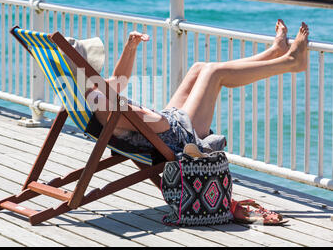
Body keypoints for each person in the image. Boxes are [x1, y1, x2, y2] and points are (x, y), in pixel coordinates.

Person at [86, 19, 309, 155]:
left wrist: (130, 47)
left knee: (199, 68)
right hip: (177, 138)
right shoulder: (101, 103)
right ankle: (291, 62)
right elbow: (155, 123)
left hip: (165, 127)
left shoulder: (89, 90)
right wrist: (149, 111)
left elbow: (119, 79)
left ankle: (273, 53)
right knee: (214, 73)